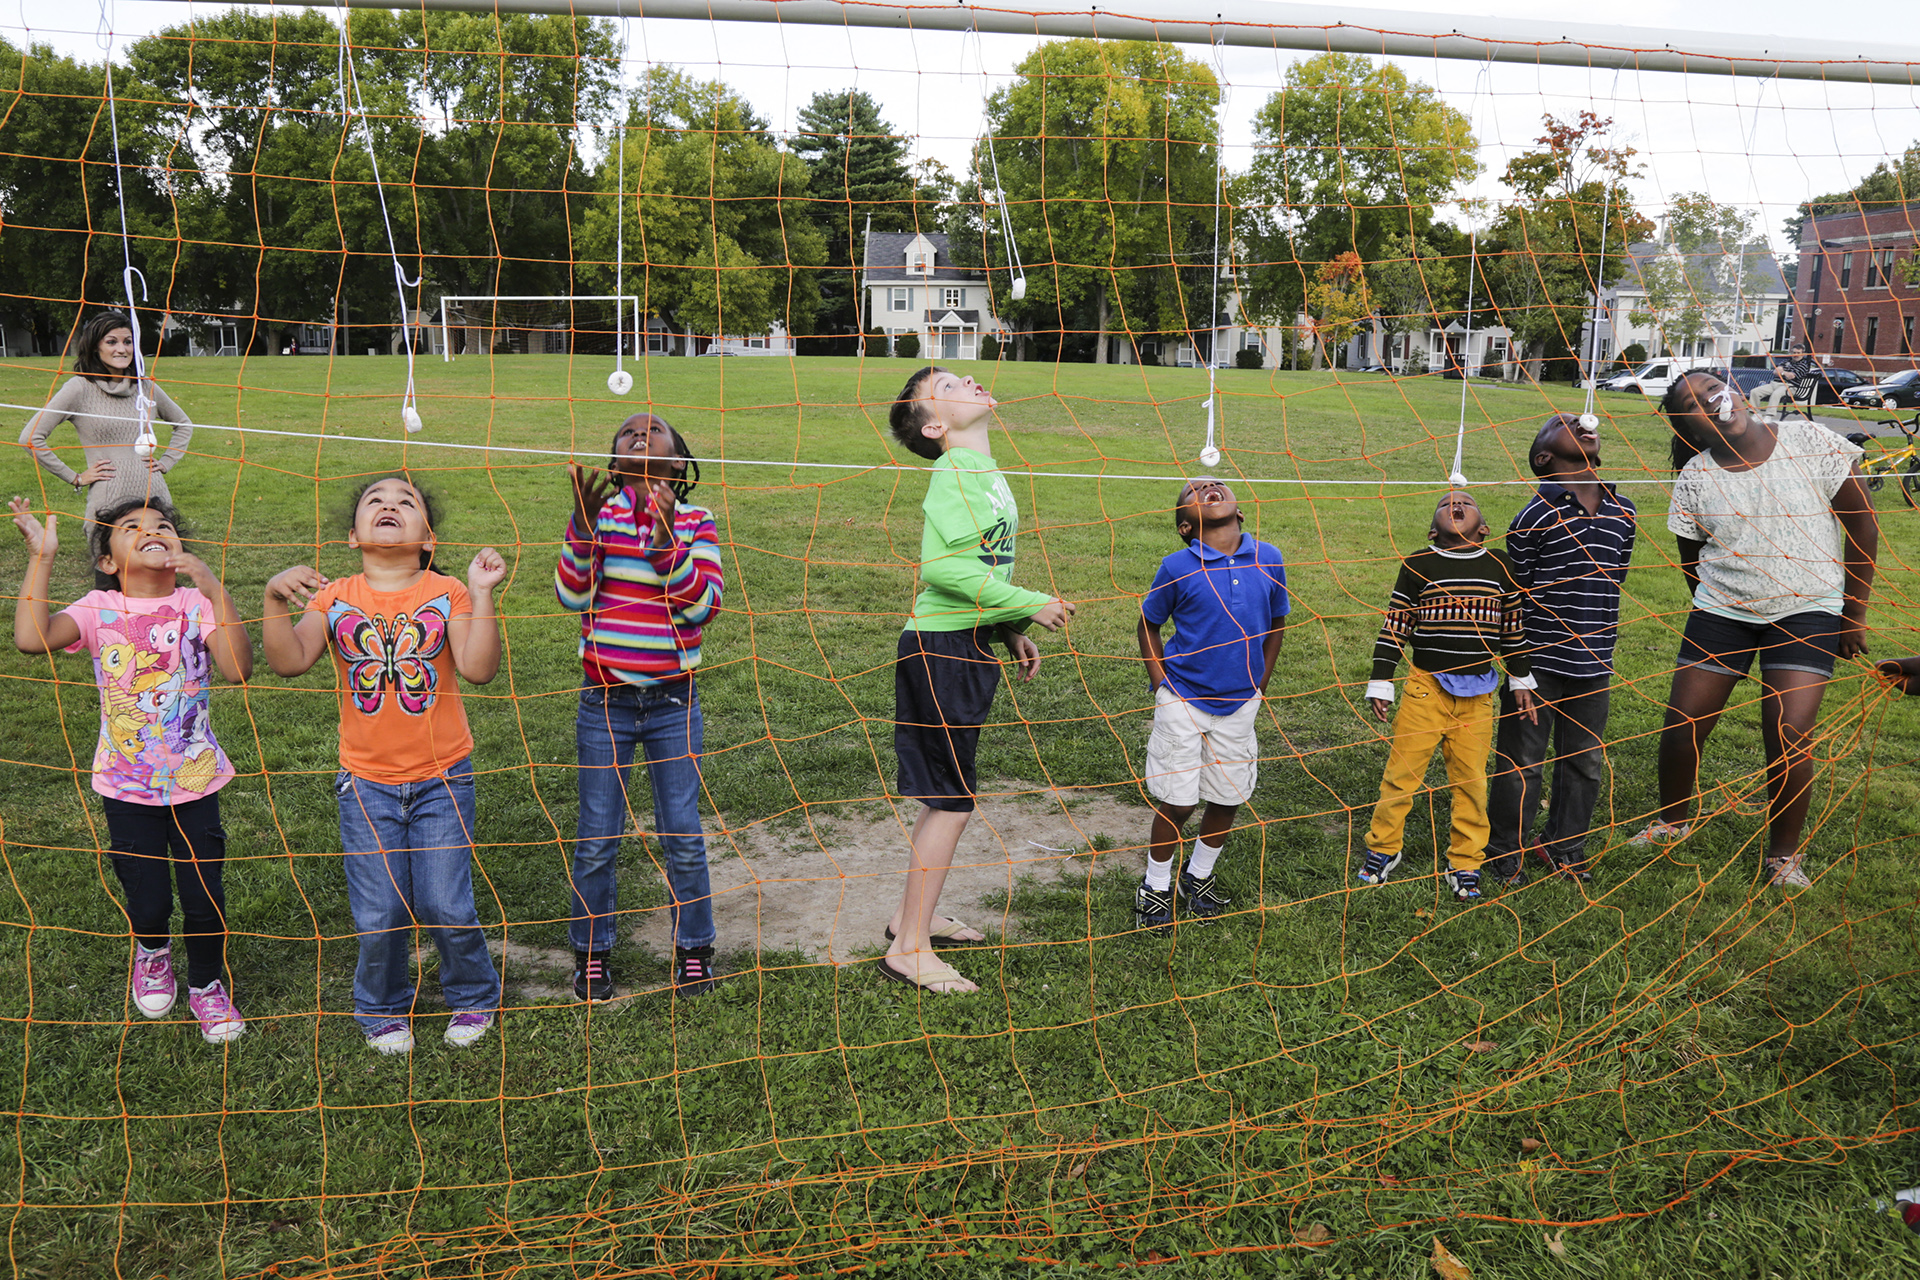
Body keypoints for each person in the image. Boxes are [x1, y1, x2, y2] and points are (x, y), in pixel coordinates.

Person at [261, 475, 506, 1053]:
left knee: (447, 902)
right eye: (376, 501)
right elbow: (290, 660)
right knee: (381, 908)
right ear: (353, 537)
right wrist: (274, 599)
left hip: (444, 777)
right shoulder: (333, 596)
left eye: (405, 502)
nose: (389, 506)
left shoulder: (448, 592)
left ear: (428, 537)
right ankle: (380, 1007)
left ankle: (473, 995)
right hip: (365, 783)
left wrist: (481, 590)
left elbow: (477, 668)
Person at [10, 493, 251, 1044]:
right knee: (146, 894)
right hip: (124, 783)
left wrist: (216, 590)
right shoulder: (97, 608)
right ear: (108, 561)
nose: (152, 529)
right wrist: (41, 558)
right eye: (132, 527)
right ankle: (152, 951)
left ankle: (207, 986)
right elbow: (31, 639)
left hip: (196, 779)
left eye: (163, 524)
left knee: (203, 893)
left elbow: (237, 668)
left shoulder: (195, 602)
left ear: (180, 548)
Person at [1634, 370, 1877, 889]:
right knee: (1683, 723)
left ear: (1738, 393)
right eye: (1698, 401)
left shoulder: (1806, 439)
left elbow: (1862, 526)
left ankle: (1783, 855)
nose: (1716, 399)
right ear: (1689, 427)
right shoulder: (1696, 476)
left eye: (1716, 387)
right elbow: (1691, 561)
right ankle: (1673, 821)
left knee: (1788, 732)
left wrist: (1853, 613)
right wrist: (1717, 613)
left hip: (1807, 607)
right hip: (1723, 611)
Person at [881, 366, 1074, 994]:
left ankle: (914, 917)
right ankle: (909, 948)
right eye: (947, 384)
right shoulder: (954, 469)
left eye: (964, 375)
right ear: (935, 425)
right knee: (951, 802)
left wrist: (1008, 624)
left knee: (947, 796)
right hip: (939, 650)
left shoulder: (982, 472)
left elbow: (976, 563)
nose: (966, 379)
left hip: (963, 642)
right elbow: (941, 569)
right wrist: (1028, 600)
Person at [556, 414, 724, 1003]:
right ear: (614, 460)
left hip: (674, 700)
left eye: (654, 431)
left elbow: (703, 606)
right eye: (626, 431)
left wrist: (664, 545)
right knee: (598, 835)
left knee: (682, 831)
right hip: (605, 702)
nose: (638, 434)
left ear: (678, 462)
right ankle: (593, 952)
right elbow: (571, 595)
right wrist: (582, 527)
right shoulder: (596, 518)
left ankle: (695, 945)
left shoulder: (697, 521)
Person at [1483, 413, 1638, 887]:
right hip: (1536, 665)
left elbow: (1618, 577)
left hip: (1594, 663)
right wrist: (1518, 667)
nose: (1580, 421)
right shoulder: (1534, 515)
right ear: (1544, 457)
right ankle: (1504, 849)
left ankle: (1565, 847)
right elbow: (1516, 591)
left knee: (1585, 761)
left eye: (1582, 423)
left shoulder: (1624, 510)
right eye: (1563, 423)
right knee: (1520, 762)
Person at [1360, 490, 1537, 902]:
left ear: (1484, 528)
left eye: (1466, 503)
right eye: (1444, 505)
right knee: (1402, 775)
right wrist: (1381, 681)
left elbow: (1513, 630)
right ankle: (1384, 848)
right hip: (1426, 688)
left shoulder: (1500, 566)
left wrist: (1522, 680)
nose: (1455, 506)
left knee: (1472, 781)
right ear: (1432, 529)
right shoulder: (1418, 565)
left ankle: (1465, 860)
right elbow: (1396, 626)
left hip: (1479, 696)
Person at [1133, 476, 1289, 931]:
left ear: (1240, 511)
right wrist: (1161, 682)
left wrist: (1260, 680)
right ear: (1186, 526)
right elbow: (1148, 623)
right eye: (1193, 492)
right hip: (1182, 697)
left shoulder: (1269, 557)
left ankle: (1196, 876)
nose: (1208, 486)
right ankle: (1156, 885)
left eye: (1217, 485)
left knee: (1228, 797)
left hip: (1241, 703)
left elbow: (1278, 621)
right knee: (1178, 803)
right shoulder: (1177, 566)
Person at [20, 311, 196, 531]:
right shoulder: (79, 387)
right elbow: (30, 438)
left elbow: (184, 424)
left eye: (128, 342)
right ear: (96, 346)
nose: (122, 349)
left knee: (160, 560)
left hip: (155, 495)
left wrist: (167, 461)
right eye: (111, 342)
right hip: (108, 500)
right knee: (110, 563)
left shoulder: (145, 387)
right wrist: (75, 478)